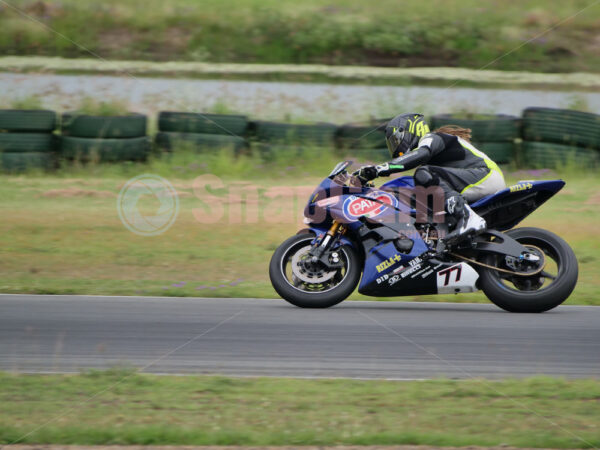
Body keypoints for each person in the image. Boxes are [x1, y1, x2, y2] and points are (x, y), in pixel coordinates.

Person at [356, 113, 506, 245]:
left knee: (423, 173)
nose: (395, 148)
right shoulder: (433, 162)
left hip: (485, 176)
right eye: (391, 145)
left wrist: (381, 168)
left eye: (396, 141)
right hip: (477, 182)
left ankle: (467, 217)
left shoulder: (432, 138)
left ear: (410, 131)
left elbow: (421, 154)